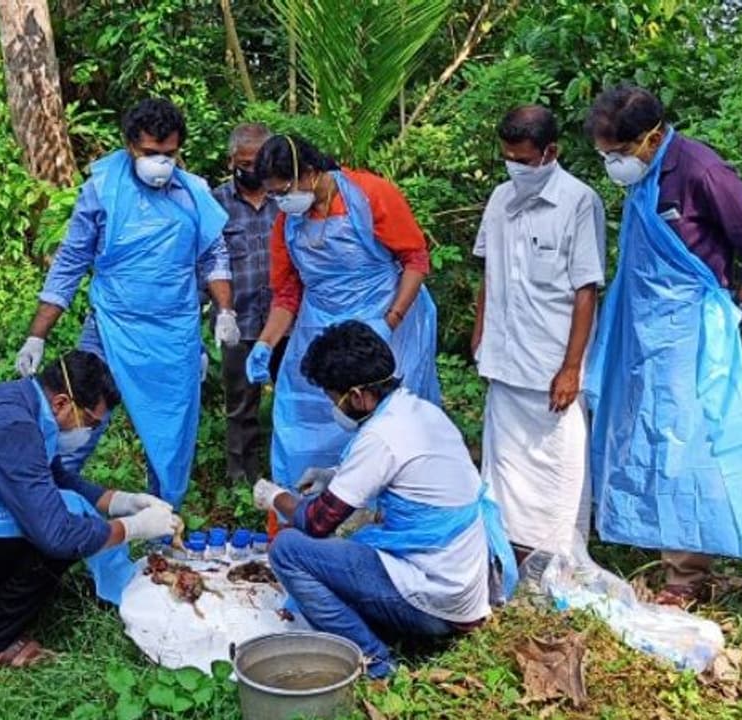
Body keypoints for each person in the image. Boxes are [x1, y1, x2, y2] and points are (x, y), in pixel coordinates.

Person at [583, 84, 742, 605]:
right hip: (642, 323)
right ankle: (647, 533)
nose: (612, 163)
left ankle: (687, 574)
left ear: (651, 137)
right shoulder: (645, 177)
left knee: (686, 439)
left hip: (687, 327)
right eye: (605, 155)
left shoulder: (697, 168)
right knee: (641, 429)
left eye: (618, 153)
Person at [251, 321, 517, 678]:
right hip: (462, 584)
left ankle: (375, 662)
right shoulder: (419, 411)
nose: (335, 408)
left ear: (358, 395)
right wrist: (333, 476)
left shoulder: (381, 436)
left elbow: (317, 522)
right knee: (346, 545)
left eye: (335, 398)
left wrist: (276, 496)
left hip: (436, 601)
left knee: (287, 548)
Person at [0, 350, 178, 669]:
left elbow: (53, 477)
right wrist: (133, 528)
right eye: (90, 423)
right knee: (60, 533)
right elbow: (58, 536)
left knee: (54, 512)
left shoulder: (21, 401)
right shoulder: (10, 427)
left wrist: (124, 501)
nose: (90, 433)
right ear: (62, 403)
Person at [14, 97, 236, 507]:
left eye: (169, 154)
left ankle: (162, 532)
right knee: (73, 428)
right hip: (110, 330)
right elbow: (71, 262)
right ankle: (45, 516)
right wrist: (36, 336)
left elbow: (213, 256)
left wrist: (225, 312)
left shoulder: (195, 195)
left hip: (174, 335)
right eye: (151, 153)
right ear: (130, 145)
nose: (160, 163)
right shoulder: (102, 190)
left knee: (169, 444)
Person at [248, 134, 441, 487]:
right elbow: (287, 294)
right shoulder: (287, 224)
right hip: (320, 326)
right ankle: (301, 515)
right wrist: (265, 343)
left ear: (309, 173)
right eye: (273, 194)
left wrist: (390, 321)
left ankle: (382, 511)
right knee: (299, 418)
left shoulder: (370, 194)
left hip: (384, 324)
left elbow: (415, 259)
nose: (279, 201)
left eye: (283, 190)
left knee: (383, 419)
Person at [472, 105, 606, 560]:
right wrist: (480, 335)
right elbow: (489, 273)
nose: (516, 168)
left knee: (558, 467)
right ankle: (505, 550)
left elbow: (586, 290)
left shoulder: (579, 201)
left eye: (525, 160)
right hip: (504, 357)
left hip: (552, 363)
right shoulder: (499, 200)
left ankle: (558, 555)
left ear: (552, 152)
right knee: (504, 466)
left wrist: (572, 367)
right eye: (509, 158)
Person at [210, 122, 286, 482]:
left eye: (260, 162)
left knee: (291, 399)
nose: (253, 169)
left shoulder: (284, 200)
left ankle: (286, 473)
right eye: (245, 161)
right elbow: (205, 262)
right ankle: (241, 478)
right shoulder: (214, 203)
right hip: (237, 322)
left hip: (285, 321)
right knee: (241, 404)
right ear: (231, 161)